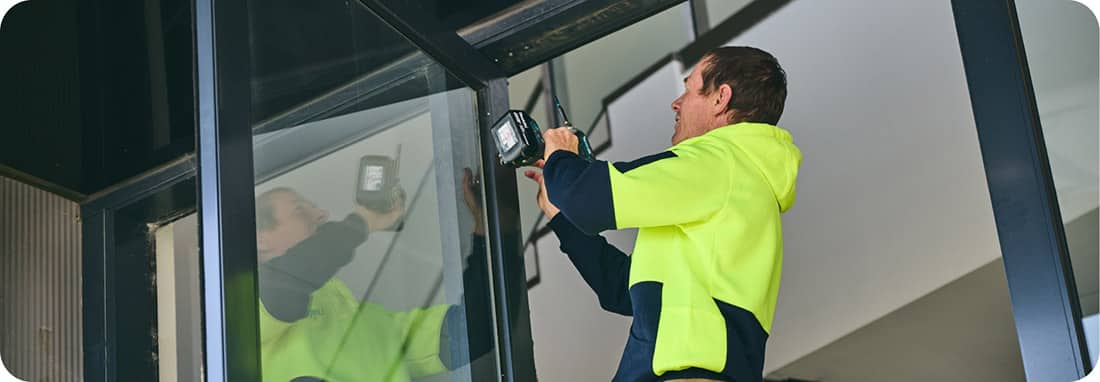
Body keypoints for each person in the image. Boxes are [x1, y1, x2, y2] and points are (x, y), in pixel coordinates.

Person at [525, 46, 802, 382]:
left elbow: (588, 198)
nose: (677, 103)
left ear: (721, 98)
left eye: (688, 89)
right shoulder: (733, 184)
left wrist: (561, 156)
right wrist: (561, 216)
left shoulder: (718, 163)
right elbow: (620, 290)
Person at [253, 169, 492, 381]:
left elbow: (472, 329)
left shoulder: (369, 323)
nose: (321, 213)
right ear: (260, 239)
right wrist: (362, 222)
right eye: (299, 210)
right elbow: (289, 279)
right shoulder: (245, 318)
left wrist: (491, 227)